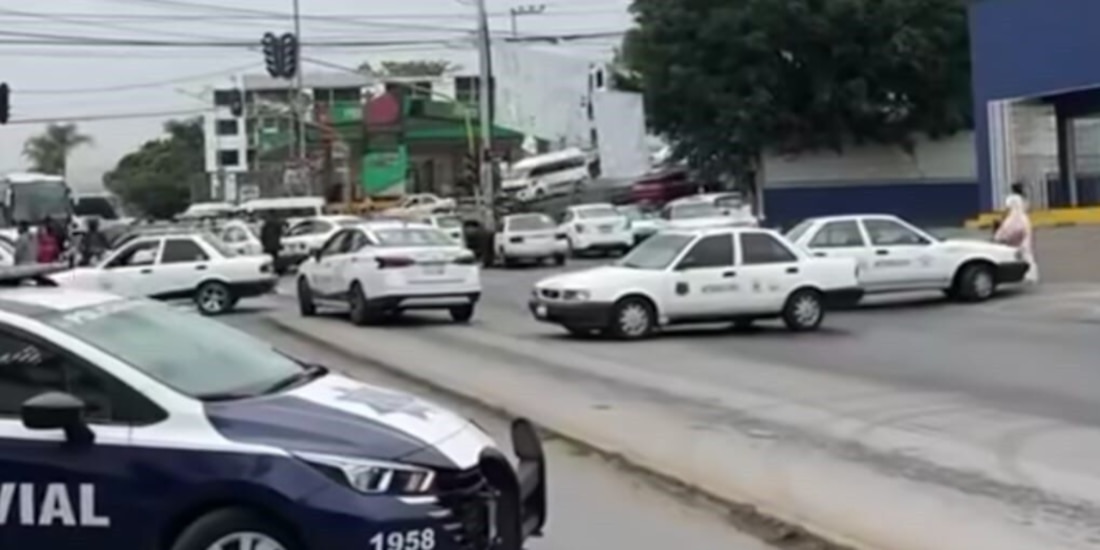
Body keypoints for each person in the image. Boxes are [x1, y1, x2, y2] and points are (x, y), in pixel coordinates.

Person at [994, 194, 1040, 284]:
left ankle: (1025, 275)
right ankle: (1031, 275)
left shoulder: (1013, 217)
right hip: (1023, 239)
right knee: (1027, 255)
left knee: (1020, 256)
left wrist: (998, 236)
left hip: (1017, 240)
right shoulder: (1023, 216)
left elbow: (1007, 231)